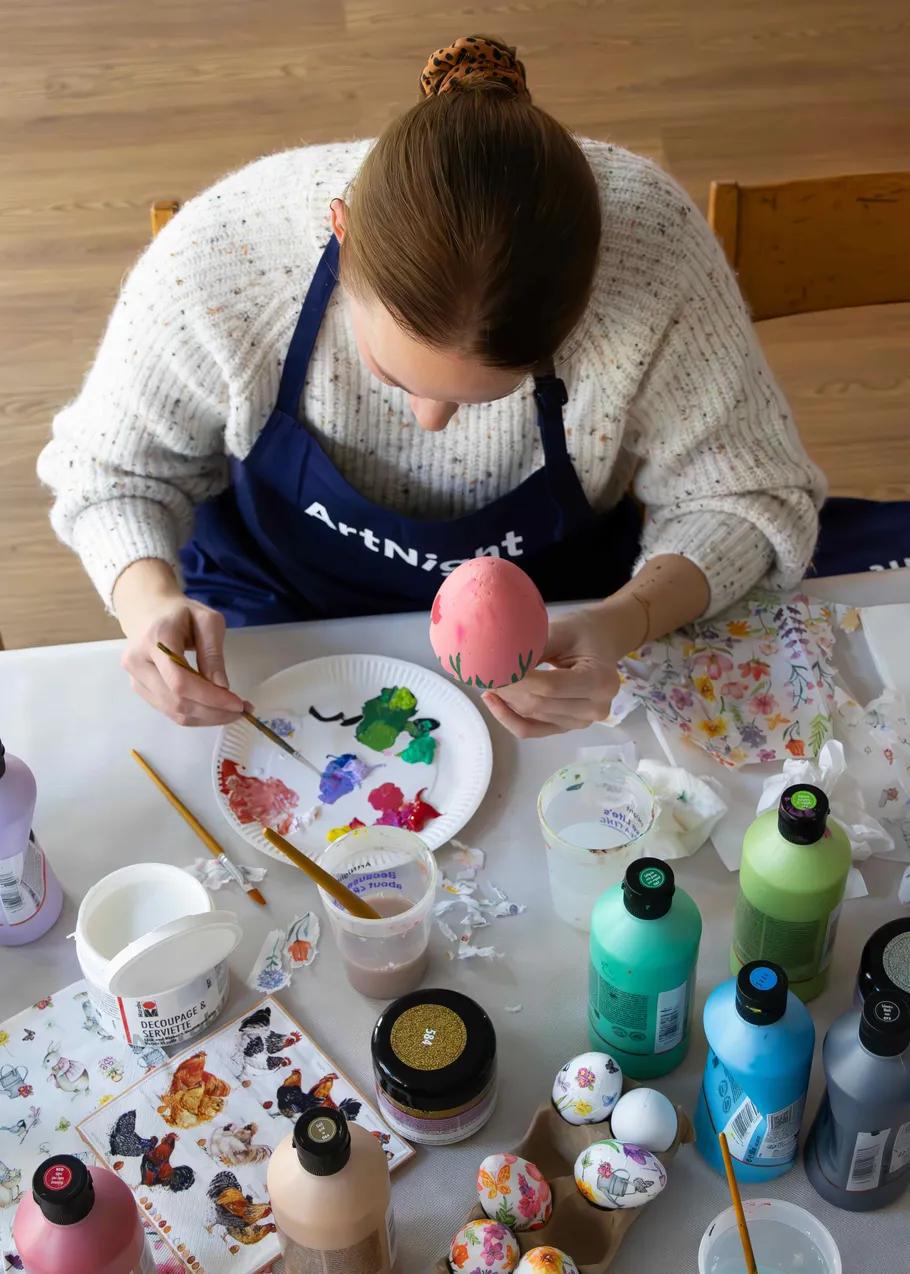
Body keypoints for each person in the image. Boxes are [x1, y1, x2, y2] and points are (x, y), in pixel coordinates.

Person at [39, 35, 824, 739]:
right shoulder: (224, 259)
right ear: (340, 235)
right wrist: (146, 607)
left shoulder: (653, 265)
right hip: (277, 603)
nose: (431, 422)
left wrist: (626, 620)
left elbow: (744, 499)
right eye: (393, 374)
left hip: (557, 619)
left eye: (489, 395)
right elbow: (110, 471)